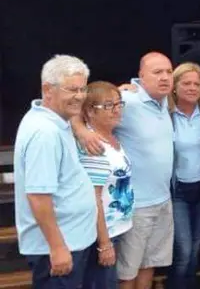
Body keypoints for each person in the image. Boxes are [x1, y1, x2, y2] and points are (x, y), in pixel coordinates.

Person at [74, 52, 175, 289]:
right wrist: (82, 131)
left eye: (169, 72)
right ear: (141, 76)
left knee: (149, 265)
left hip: (163, 201)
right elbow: (79, 108)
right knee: (127, 273)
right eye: (157, 72)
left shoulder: (165, 102)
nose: (165, 77)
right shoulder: (127, 100)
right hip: (135, 207)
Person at [14, 55, 97, 288]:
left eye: (83, 89)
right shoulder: (44, 133)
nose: (80, 96)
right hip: (60, 249)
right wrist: (58, 247)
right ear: (47, 90)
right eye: (72, 89)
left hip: (73, 241)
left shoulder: (57, 120)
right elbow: (38, 196)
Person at [78, 81, 134, 289]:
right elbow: (94, 198)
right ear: (90, 111)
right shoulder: (93, 145)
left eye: (119, 104)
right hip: (102, 234)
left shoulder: (112, 137)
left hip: (118, 228)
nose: (117, 109)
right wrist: (104, 244)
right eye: (109, 105)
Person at [167, 63, 200, 288]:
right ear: (174, 86)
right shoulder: (165, 114)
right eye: (186, 83)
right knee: (183, 251)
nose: (192, 88)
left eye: (197, 84)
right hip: (178, 193)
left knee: (194, 249)